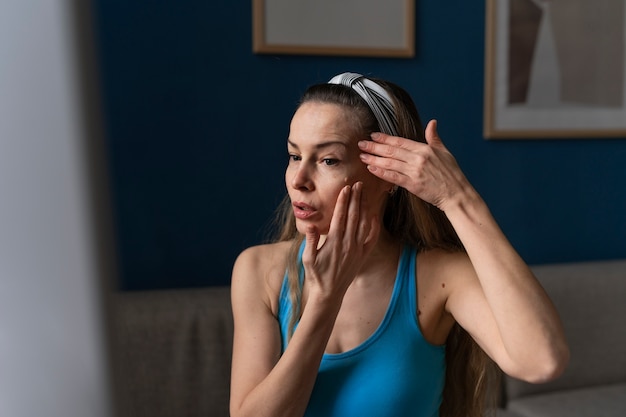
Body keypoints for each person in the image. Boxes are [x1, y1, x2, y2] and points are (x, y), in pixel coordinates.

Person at [229, 72, 569, 417]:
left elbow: (542, 362)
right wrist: (324, 301)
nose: (299, 180)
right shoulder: (259, 270)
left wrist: (458, 198)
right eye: (294, 155)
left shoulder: (439, 277)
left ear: (388, 173)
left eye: (328, 160)